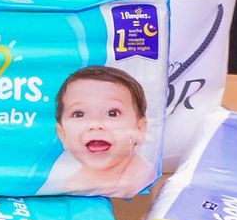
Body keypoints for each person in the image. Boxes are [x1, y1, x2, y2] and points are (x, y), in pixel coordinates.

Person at [39, 65, 157, 197]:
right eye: (79, 114)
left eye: (112, 113)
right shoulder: (71, 184)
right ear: (62, 135)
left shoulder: (141, 176)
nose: (95, 125)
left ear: (139, 129)